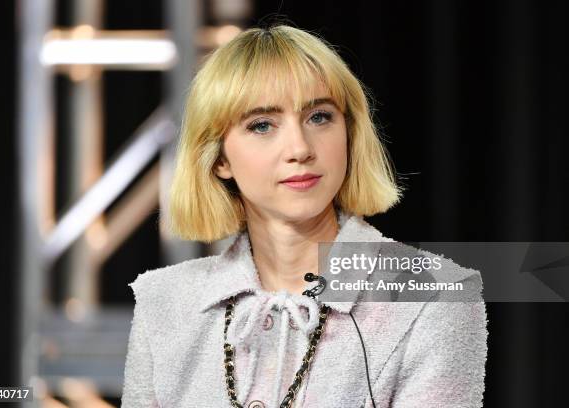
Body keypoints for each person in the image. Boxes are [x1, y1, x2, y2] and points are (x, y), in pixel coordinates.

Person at [121, 25, 488, 408]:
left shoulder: (435, 296)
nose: (299, 148)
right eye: (262, 125)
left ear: (349, 133)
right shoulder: (164, 302)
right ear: (219, 159)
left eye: (319, 117)